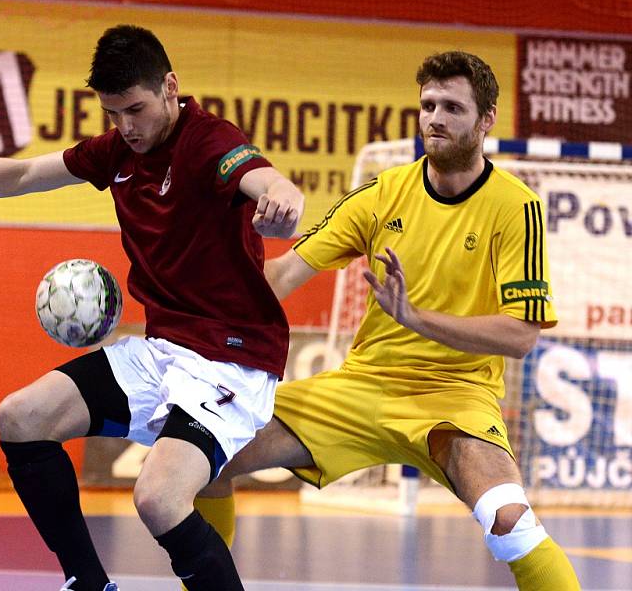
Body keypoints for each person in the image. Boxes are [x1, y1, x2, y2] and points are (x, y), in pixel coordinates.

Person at [0, 24, 304, 591]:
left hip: (232, 359)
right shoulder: (118, 150)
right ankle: (89, 585)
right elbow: (22, 174)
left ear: (170, 87)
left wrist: (283, 203)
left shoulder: (209, 140)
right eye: (113, 112)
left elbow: (269, 181)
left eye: (136, 109)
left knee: (158, 498)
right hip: (163, 349)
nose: (127, 126)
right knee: (20, 418)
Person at [197, 50, 581, 590]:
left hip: (456, 397)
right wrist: (195, 303)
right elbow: (281, 276)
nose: (435, 118)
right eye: (427, 105)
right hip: (362, 388)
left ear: (487, 119)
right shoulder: (382, 194)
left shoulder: (516, 207)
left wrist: (416, 318)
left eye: (452, 106)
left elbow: (520, 336)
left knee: (511, 524)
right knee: (199, 454)